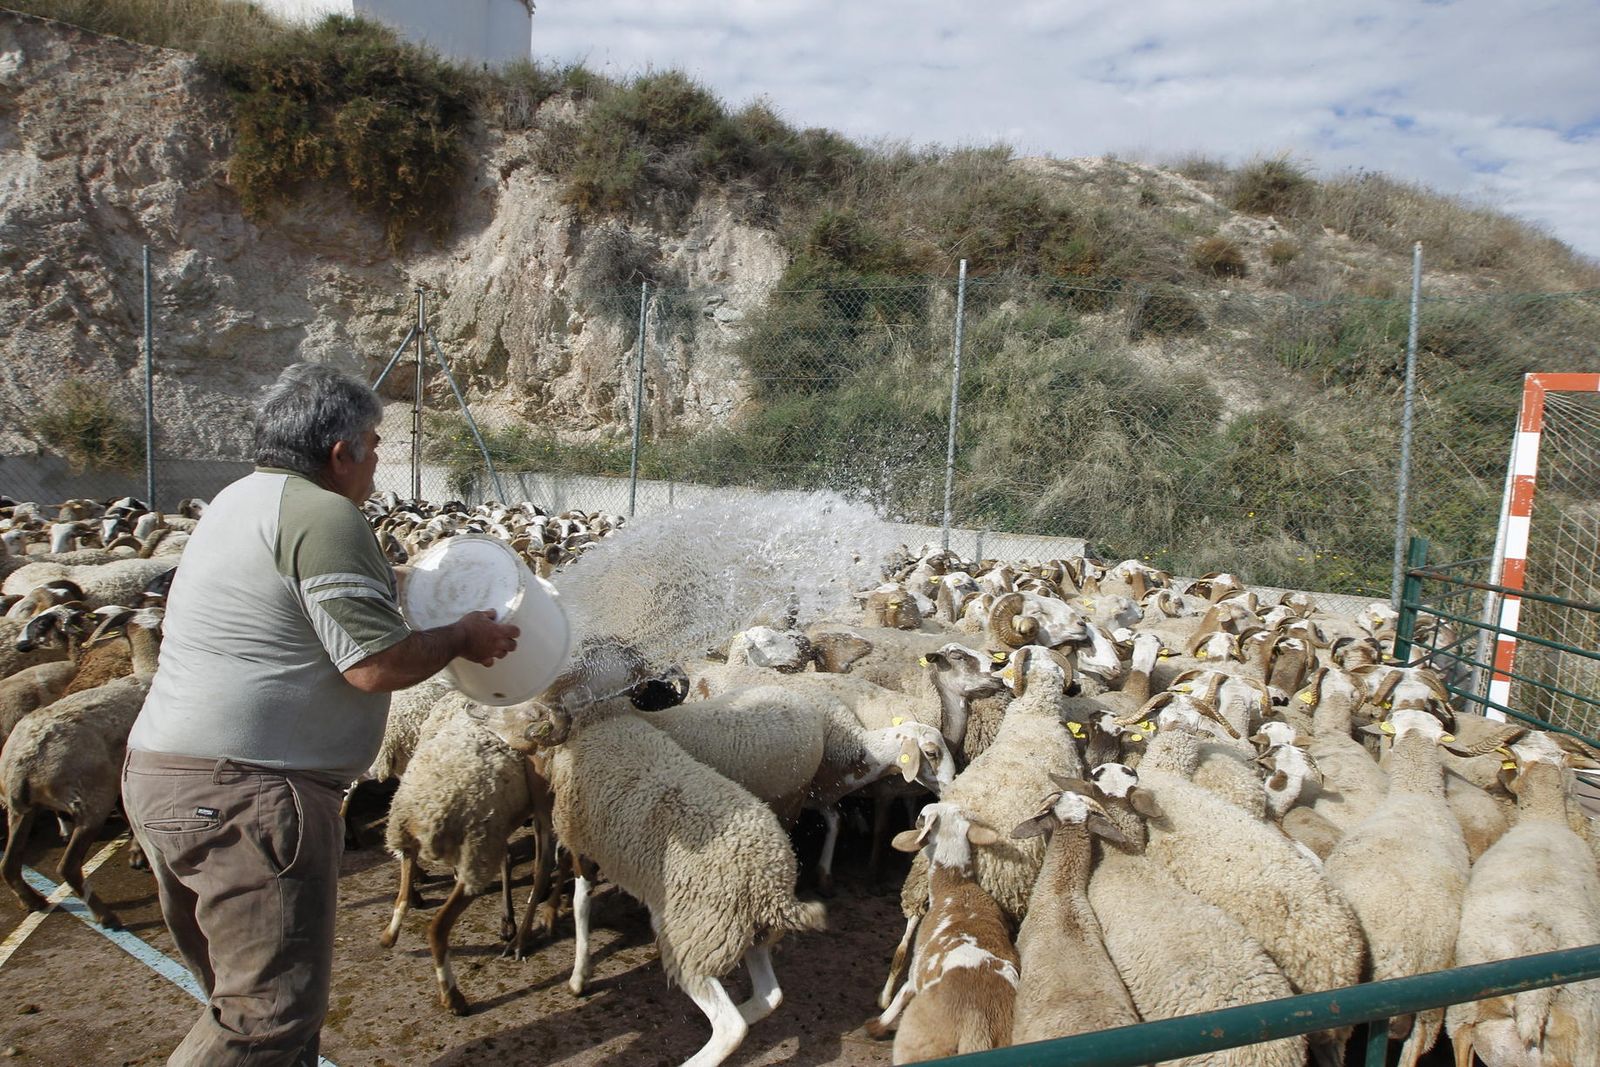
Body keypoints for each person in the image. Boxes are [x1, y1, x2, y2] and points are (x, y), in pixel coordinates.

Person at [121, 362, 519, 1066]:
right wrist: (462, 635)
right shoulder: (324, 515)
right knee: (265, 1018)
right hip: (248, 797)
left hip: (165, 777)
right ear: (342, 453)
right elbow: (375, 665)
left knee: (250, 1003)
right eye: (374, 443)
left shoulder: (239, 500)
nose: (377, 461)